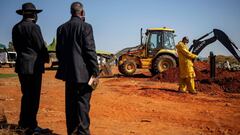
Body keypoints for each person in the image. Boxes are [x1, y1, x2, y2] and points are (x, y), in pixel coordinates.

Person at [55, 2, 99, 135]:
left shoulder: (61, 28)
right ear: (82, 13)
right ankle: (83, 132)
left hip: (69, 75)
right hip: (84, 75)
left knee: (70, 105)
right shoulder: (86, 27)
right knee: (83, 105)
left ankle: (72, 132)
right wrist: (95, 71)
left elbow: (59, 52)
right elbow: (90, 51)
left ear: (71, 12)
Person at [12, 2, 49, 134]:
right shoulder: (34, 27)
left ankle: (23, 124)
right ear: (34, 14)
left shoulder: (16, 28)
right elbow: (40, 46)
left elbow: (16, 47)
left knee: (26, 95)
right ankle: (32, 126)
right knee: (33, 98)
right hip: (34, 67)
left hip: (22, 66)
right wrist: (46, 58)